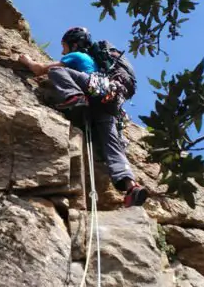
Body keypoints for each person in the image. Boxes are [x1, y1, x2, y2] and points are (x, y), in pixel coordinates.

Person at [18, 26, 148, 208]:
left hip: (95, 89)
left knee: (56, 71)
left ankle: (74, 97)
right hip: (108, 104)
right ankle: (131, 187)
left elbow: (40, 69)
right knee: (112, 147)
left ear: (74, 44)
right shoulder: (96, 63)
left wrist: (27, 60)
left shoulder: (78, 56)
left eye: (64, 46)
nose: (63, 51)